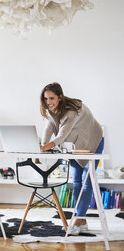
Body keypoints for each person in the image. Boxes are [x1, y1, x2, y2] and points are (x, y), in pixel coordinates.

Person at [40, 82, 104, 235]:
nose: (48, 102)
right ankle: (82, 220)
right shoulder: (52, 111)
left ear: (60, 97)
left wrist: (47, 146)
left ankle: (77, 218)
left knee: (87, 180)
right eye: (46, 99)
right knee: (77, 181)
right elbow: (48, 127)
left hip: (94, 141)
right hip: (75, 145)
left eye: (51, 98)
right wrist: (42, 144)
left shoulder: (72, 111)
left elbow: (62, 134)